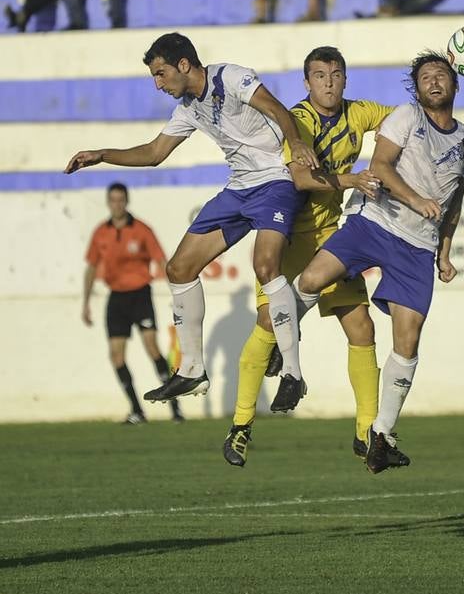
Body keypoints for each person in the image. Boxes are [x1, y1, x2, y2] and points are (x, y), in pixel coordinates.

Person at [65, 32, 318, 415]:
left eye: (161, 73)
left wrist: (296, 143)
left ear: (184, 64)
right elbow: (154, 153)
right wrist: (102, 155)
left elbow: (278, 109)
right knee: (179, 268)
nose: (158, 83)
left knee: (265, 266)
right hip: (239, 189)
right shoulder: (187, 107)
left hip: (276, 181)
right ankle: (192, 369)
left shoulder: (230, 77)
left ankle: (293, 374)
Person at [291, 52, 464, 474]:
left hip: (419, 246)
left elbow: (455, 201)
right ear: (416, 89)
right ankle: (285, 355)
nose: (433, 81)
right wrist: (414, 199)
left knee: (408, 340)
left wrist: (445, 252)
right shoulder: (406, 116)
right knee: (311, 278)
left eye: (441, 76)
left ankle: (382, 436)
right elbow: (379, 165)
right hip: (376, 221)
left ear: (456, 85)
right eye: (426, 77)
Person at [224, 46, 394, 467]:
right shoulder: (298, 121)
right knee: (267, 323)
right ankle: (241, 426)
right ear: (307, 82)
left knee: (362, 326)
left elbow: (403, 122)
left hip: (330, 236)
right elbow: (300, 178)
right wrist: (352, 178)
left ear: (346, 78)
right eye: (320, 76)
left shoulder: (360, 112)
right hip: (285, 234)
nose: (329, 82)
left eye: (336, 74)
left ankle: (366, 432)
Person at [83, 182, 183, 424]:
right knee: (116, 356)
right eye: (113, 200)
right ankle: (137, 410)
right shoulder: (101, 232)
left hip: (140, 294)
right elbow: (91, 267)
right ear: (108, 202)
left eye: (120, 200)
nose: (117, 204)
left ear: (126, 201)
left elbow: (161, 261)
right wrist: (85, 301)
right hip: (116, 297)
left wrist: (176, 294)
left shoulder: (141, 229)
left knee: (152, 348)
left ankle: (175, 407)